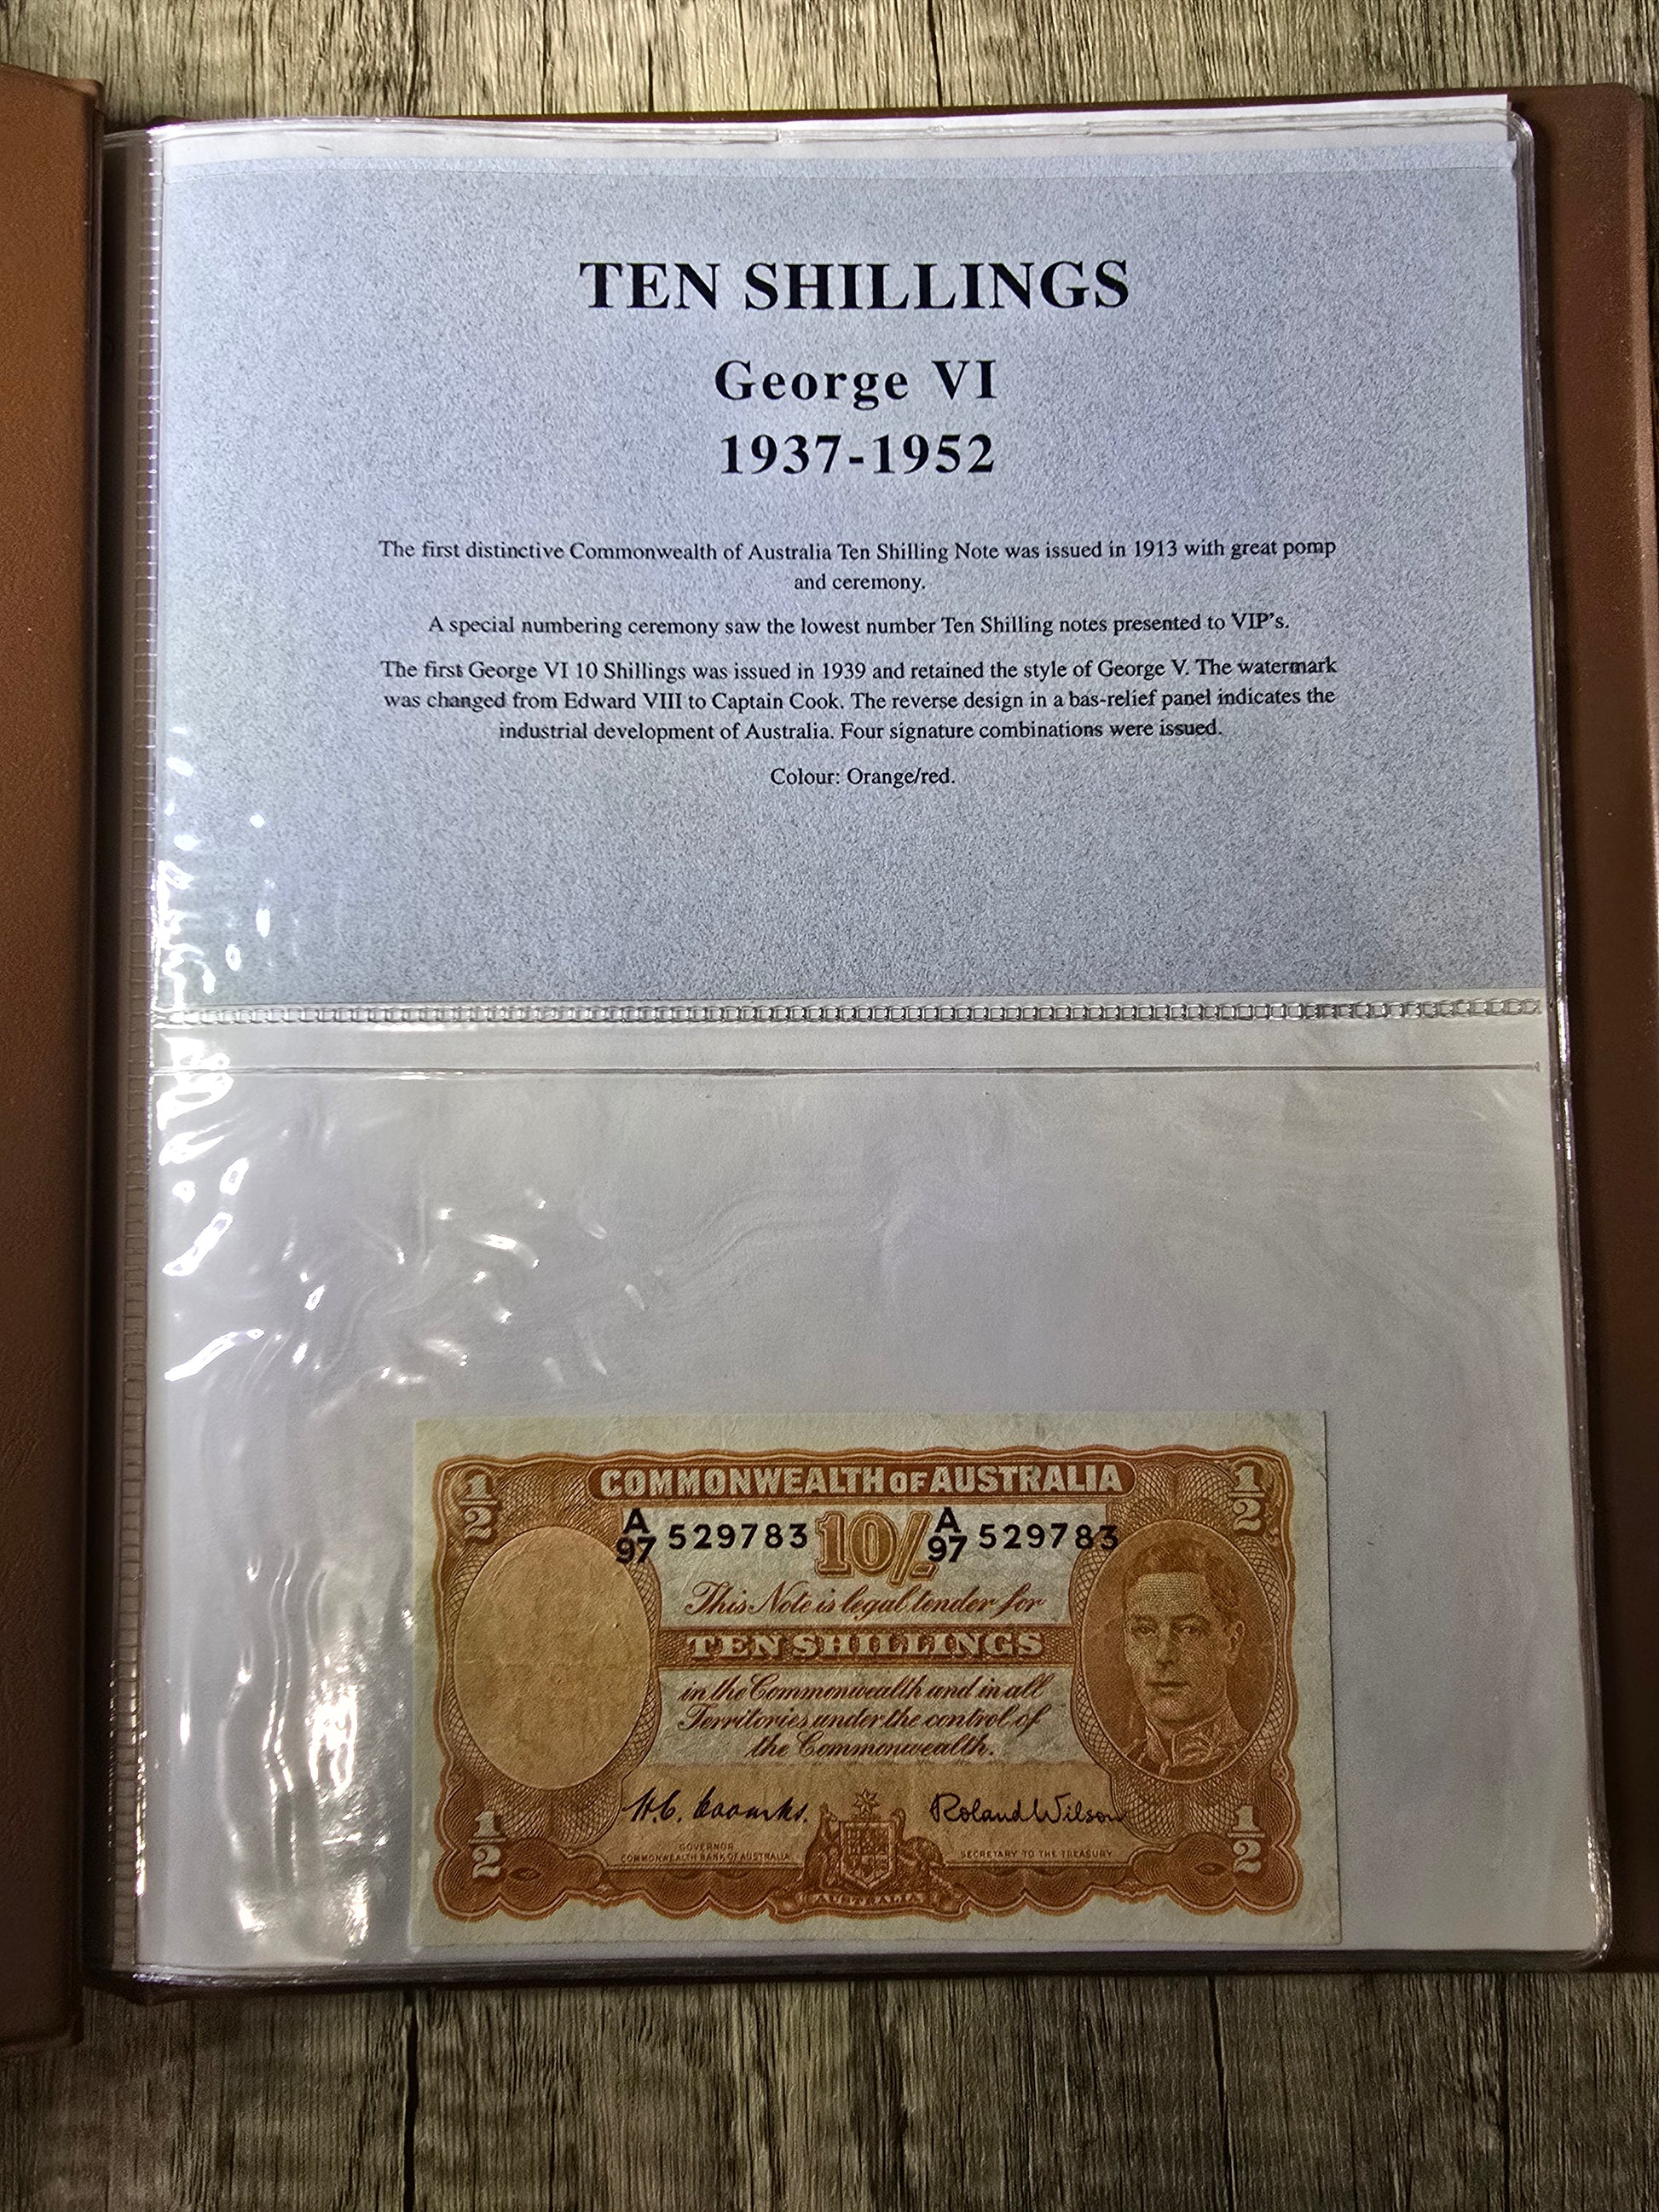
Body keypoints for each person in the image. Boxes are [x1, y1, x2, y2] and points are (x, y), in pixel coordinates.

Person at [1119, 1539, 1249, 1778]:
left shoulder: (1257, 1766)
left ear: (1231, 1642)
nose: (1163, 1654)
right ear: (1127, 1643)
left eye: (1190, 1630)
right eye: (1145, 1630)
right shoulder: (1113, 1769)